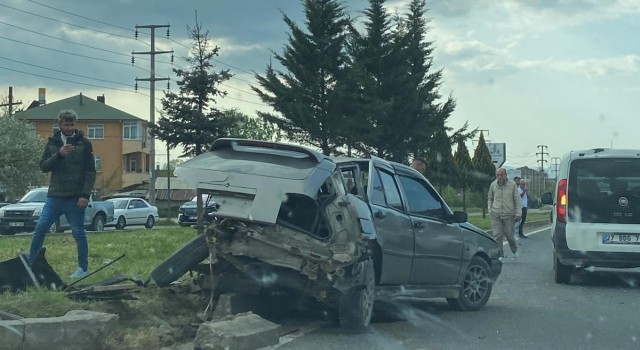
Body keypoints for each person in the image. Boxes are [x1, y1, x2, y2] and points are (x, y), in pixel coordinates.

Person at [28, 109, 96, 279]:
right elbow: (43, 167)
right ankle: (30, 265)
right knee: (41, 227)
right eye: (66, 124)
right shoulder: (52, 143)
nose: (70, 127)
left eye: (72, 124)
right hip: (55, 197)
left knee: (78, 232)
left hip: (75, 197)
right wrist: (58, 155)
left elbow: (90, 172)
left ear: (75, 124)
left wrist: (85, 195)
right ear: (60, 124)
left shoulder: (84, 143)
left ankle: (82, 268)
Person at [488, 168, 522, 261]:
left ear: (506, 175)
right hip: (496, 214)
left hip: (509, 215)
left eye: (502, 175)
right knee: (498, 235)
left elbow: (517, 199)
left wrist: (519, 213)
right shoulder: (493, 185)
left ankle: (514, 251)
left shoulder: (512, 185)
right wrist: (490, 210)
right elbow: (490, 198)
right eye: (498, 175)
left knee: (509, 236)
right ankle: (500, 255)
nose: (500, 177)